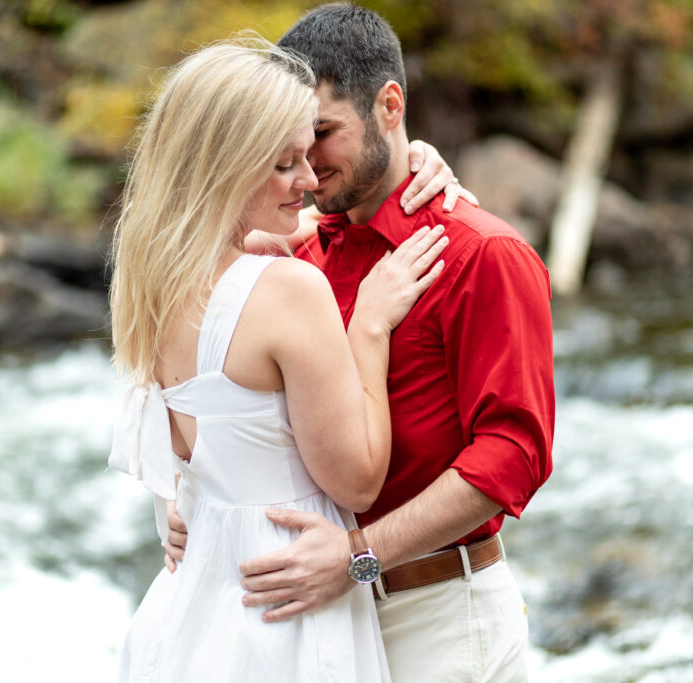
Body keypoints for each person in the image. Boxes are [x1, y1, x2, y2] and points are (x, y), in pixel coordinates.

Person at [166, 5, 556, 681]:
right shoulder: (302, 250)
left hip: (439, 618)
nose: (307, 169)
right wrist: (194, 498)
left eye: (321, 134)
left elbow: (513, 456)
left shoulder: (484, 255)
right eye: (287, 142)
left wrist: (358, 554)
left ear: (390, 105)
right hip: (318, 626)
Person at [105, 38, 451, 682]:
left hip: (195, 605)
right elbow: (356, 481)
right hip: (286, 610)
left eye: (310, 154)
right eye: (285, 162)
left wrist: (418, 158)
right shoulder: (288, 291)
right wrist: (369, 328)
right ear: (226, 165)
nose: (312, 180)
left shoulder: (150, 275)